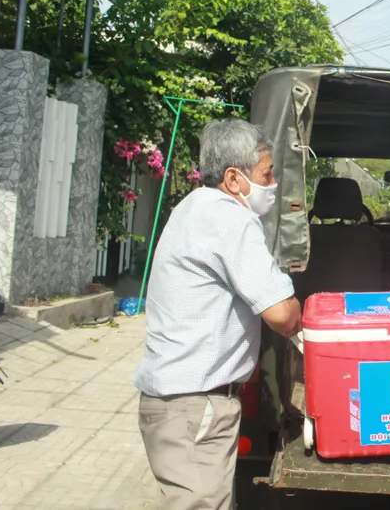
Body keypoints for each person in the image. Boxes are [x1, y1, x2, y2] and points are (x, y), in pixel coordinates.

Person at [134, 118, 301, 510]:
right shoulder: (230, 218)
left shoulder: (192, 206)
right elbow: (280, 313)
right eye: (266, 173)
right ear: (233, 178)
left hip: (177, 404)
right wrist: (300, 309)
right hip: (195, 406)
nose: (273, 182)